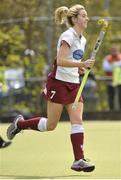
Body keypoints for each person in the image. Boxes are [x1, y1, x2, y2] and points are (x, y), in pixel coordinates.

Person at [7, 4, 95, 172]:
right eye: (84, 16)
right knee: (51, 125)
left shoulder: (82, 39)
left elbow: (68, 61)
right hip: (59, 84)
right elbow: (60, 60)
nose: (87, 18)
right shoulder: (68, 36)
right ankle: (20, 124)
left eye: (87, 16)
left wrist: (78, 68)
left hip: (74, 84)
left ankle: (78, 160)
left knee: (77, 121)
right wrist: (81, 63)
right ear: (75, 19)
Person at [102, 45, 121, 110]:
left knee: (120, 96)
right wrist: (117, 65)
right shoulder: (107, 58)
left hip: (119, 81)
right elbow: (106, 68)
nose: (114, 52)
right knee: (111, 96)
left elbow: (110, 67)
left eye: (115, 50)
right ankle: (111, 111)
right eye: (112, 50)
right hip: (110, 80)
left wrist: (112, 65)